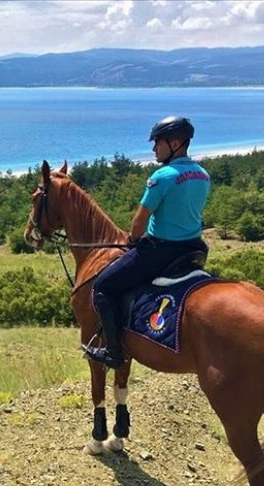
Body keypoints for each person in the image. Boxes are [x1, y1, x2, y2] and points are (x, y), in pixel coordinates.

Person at [84, 116, 211, 369]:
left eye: (158, 143)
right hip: (194, 248)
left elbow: (140, 220)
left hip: (161, 251)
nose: (154, 149)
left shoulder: (162, 176)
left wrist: (133, 240)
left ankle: (114, 353)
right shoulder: (202, 174)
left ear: (175, 143)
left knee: (103, 288)